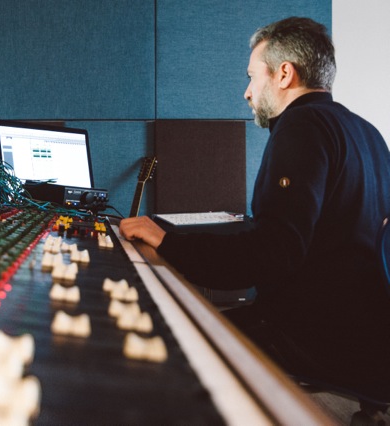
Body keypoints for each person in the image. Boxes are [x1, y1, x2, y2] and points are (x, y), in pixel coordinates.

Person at [119, 16, 390, 389]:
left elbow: (271, 254)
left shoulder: (302, 125)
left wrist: (168, 242)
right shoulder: (368, 132)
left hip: (311, 338)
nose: (247, 93)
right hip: (367, 337)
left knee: (166, 340)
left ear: (284, 74)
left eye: (252, 77)